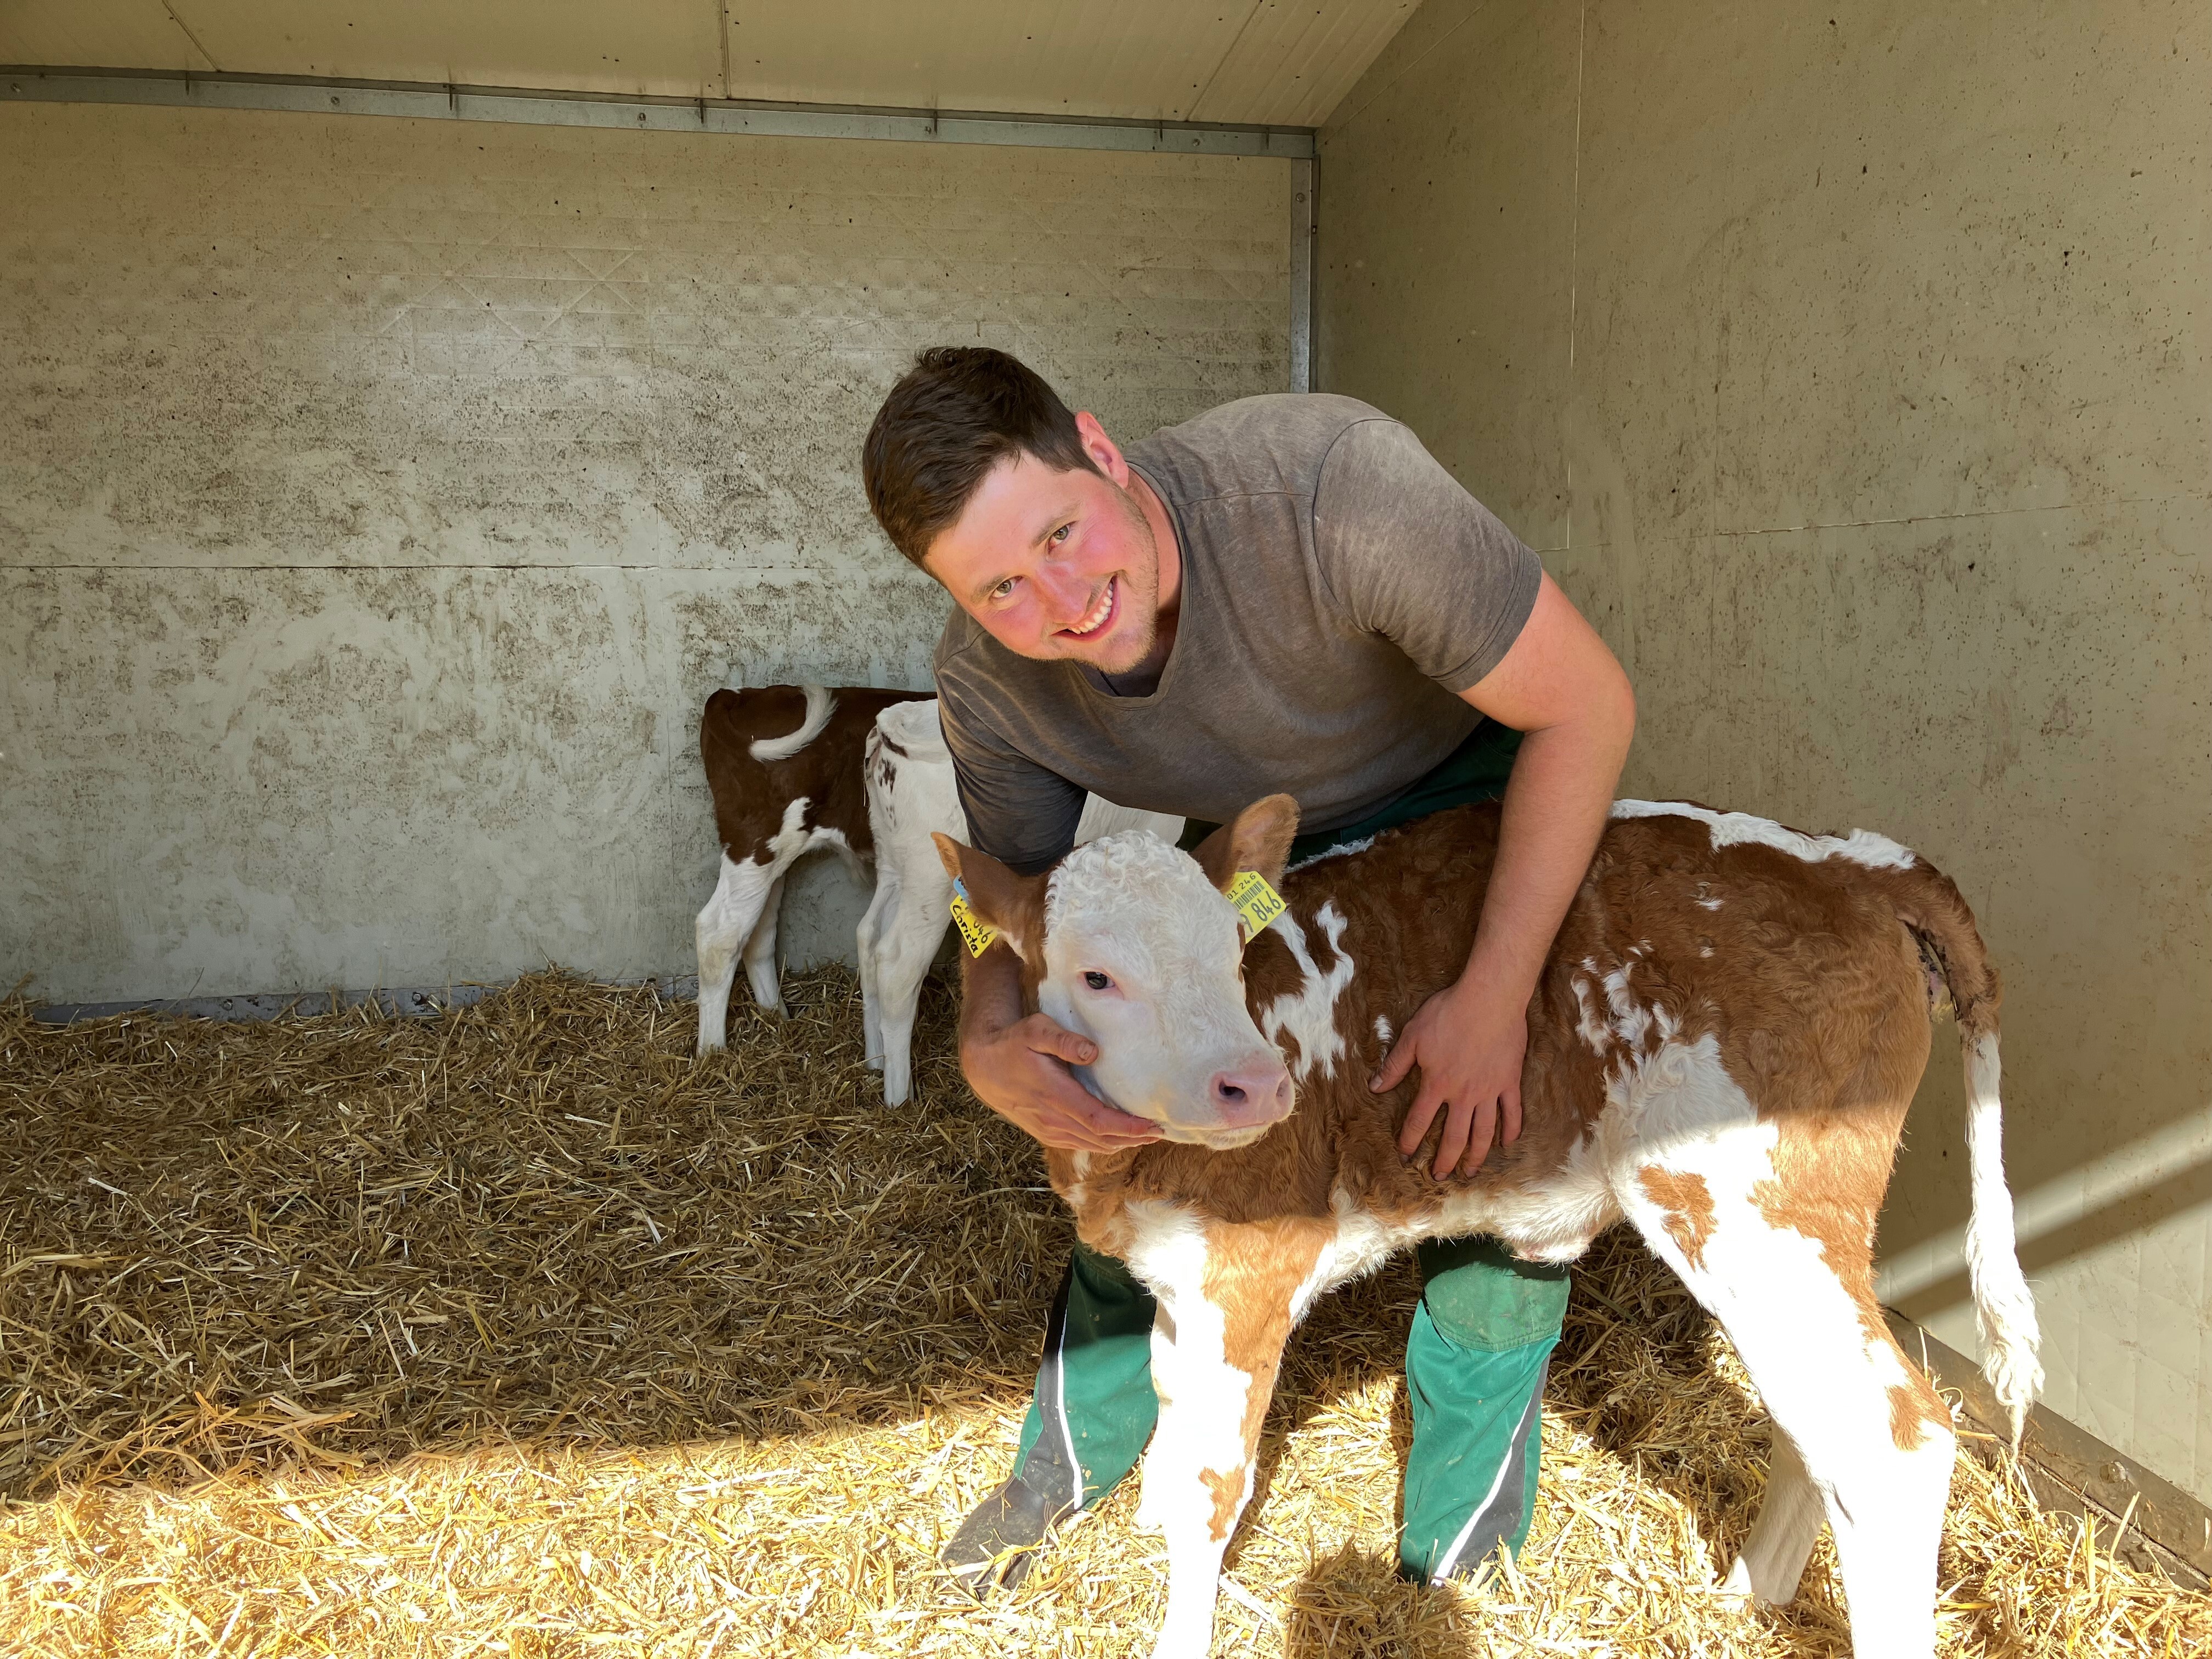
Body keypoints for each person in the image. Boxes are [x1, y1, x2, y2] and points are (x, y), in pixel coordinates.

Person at [860, 347, 1635, 1591]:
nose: (1059, 601)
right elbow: (996, 895)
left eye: (1064, 532)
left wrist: (1494, 993)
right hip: (1255, 854)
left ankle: (1461, 1534)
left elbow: (1587, 708)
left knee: (1489, 1136)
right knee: (1137, 1134)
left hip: (1469, 797)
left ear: (1104, 453)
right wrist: (985, 1033)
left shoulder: (1334, 493)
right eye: (1000, 585)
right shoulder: (988, 680)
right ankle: (1061, 1462)